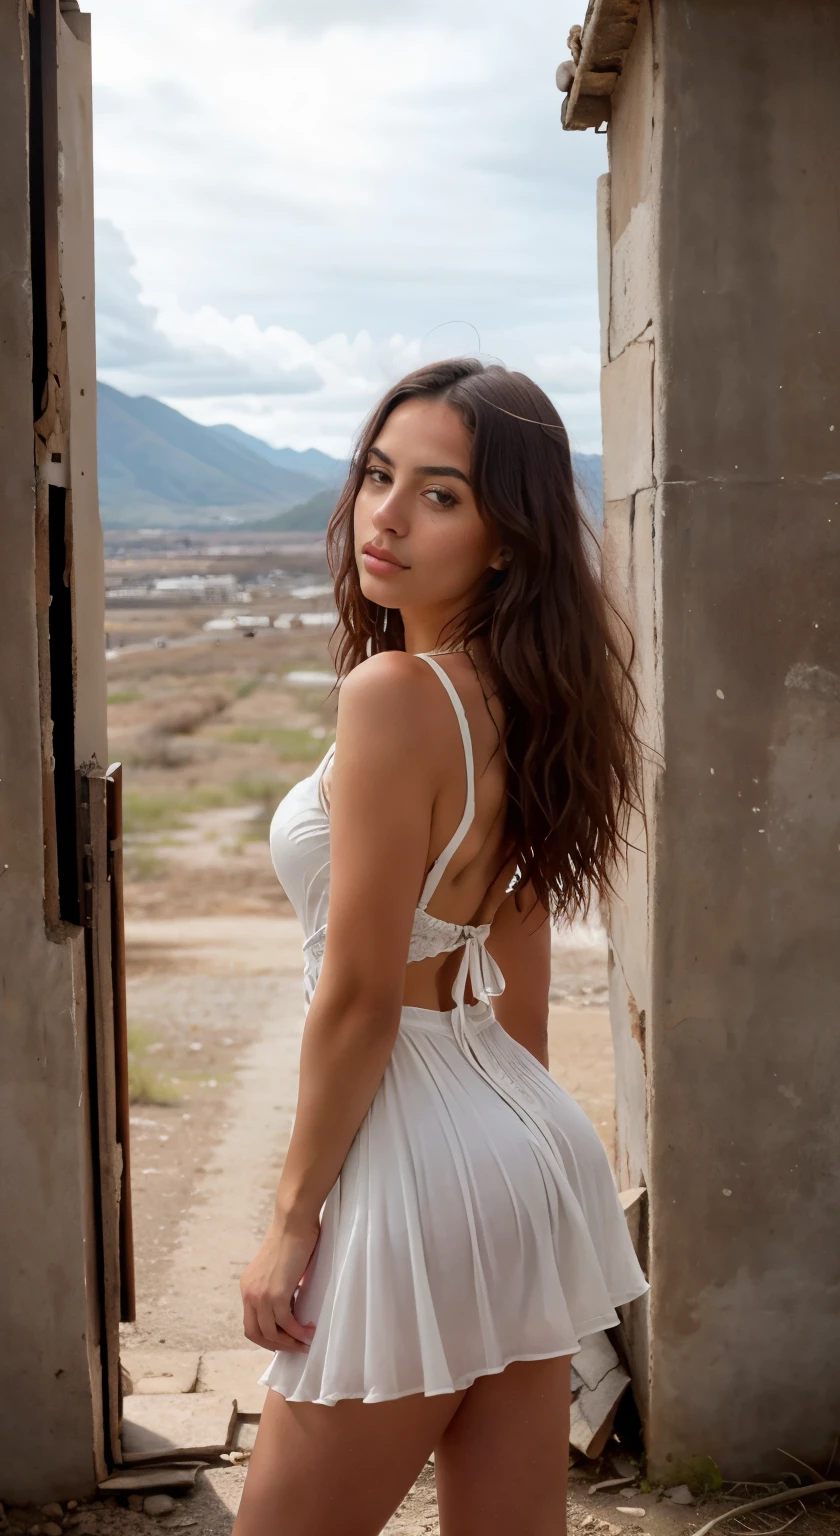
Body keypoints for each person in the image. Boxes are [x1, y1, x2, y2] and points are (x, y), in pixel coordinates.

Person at [233, 360, 648, 1536]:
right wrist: (507, 1167)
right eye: (378, 476)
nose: (388, 515)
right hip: (519, 1150)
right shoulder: (530, 698)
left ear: (508, 536)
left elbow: (362, 998)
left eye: (441, 494)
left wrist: (291, 1221)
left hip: (420, 1158)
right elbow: (512, 974)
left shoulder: (394, 695)